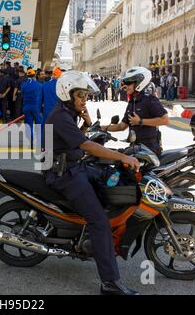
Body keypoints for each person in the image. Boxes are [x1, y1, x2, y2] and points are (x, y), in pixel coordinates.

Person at [44, 70, 140, 295]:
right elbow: (85, 146)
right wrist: (122, 156)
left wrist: (86, 124)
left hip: (72, 166)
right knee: (99, 222)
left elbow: (74, 141)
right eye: (81, 95)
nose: (84, 100)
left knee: (106, 180)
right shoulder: (60, 116)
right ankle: (109, 282)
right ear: (68, 95)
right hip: (63, 175)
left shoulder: (66, 114)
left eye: (86, 95)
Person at [102, 67, 169, 156]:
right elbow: (122, 126)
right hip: (135, 148)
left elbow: (165, 120)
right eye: (124, 83)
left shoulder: (149, 99)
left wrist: (140, 121)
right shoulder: (132, 102)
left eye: (128, 83)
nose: (125, 86)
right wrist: (103, 128)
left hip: (149, 150)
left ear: (139, 83)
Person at [41, 67, 62, 149]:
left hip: (47, 112)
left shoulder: (44, 85)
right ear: (58, 76)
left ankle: (44, 147)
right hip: (59, 112)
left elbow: (40, 100)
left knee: (45, 129)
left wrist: (40, 110)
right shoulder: (61, 86)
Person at [21, 69, 42, 146]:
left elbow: (22, 92)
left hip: (26, 107)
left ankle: (31, 141)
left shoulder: (24, 85)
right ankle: (39, 141)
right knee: (38, 124)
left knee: (28, 124)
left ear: (27, 75)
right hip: (36, 107)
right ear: (35, 75)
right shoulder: (39, 85)